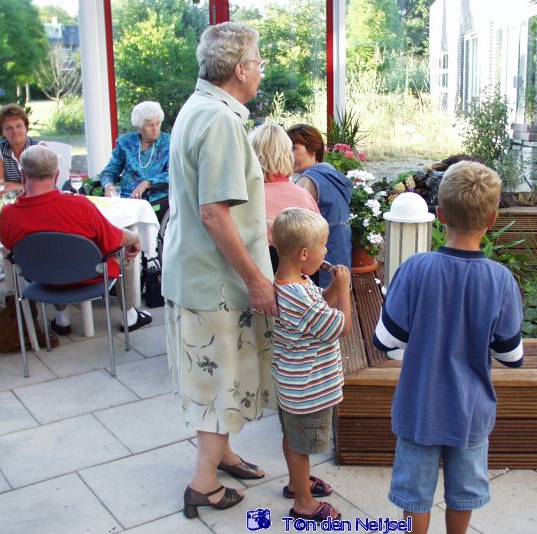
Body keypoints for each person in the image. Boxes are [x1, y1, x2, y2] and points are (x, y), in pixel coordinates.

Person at [162, 22, 276, 518]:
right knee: (218, 382)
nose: (261, 70)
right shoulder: (221, 120)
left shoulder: (197, 106)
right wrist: (256, 280)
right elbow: (213, 212)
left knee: (219, 378)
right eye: (259, 61)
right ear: (240, 70)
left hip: (196, 272)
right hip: (216, 283)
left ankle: (223, 454)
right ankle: (202, 483)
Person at [373, 161, 524, 534]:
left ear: (439, 215)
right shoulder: (501, 280)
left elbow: (385, 341)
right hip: (470, 412)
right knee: (463, 494)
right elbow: (511, 356)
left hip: (418, 409)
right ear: (491, 220)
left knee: (415, 497)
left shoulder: (415, 269)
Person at [0, 145, 152, 335]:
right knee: (123, 253)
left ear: (22, 175)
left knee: (50, 255)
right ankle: (129, 316)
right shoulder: (80, 206)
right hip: (88, 276)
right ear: (56, 175)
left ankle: (62, 319)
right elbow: (112, 238)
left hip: (43, 280)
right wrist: (134, 237)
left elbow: (9, 246)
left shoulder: (8, 215)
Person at [271, 208, 351, 522]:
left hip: (294, 385)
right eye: (323, 246)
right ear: (304, 253)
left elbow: (320, 306)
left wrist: (331, 290)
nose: (327, 252)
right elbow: (341, 327)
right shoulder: (298, 297)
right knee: (300, 445)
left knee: (293, 438)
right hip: (308, 391)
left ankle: (297, 482)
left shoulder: (294, 283)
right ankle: (303, 502)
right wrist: (343, 289)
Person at [286, 124, 352, 288]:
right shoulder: (330, 172)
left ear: (313, 150)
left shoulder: (308, 180)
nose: (288, 154)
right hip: (340, 254)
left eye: (294, 148)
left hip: (320, 262)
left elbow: (293, 225)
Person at [248, 121, 319, 271]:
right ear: (288, 155)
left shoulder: (243, 198)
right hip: (295, 280)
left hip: (251, 276)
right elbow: (316, 250)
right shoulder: (303, 196)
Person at [100, 101, 170, 214]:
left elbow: (172, 173)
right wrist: (108, 186)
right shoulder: (125, 142)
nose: (155, 129)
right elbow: (110, 170)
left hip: (155, 202)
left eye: (158, 124)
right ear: (138, 128)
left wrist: (147, 183)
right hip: (126, 200)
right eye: (150, 125)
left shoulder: (168, 142)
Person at [0, 104, 41, 193]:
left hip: (37, 198)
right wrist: (25, 187)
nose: (15, 131)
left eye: (19, 126)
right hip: (10, 199)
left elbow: (41, 186)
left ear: (26, 127)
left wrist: (12, 186)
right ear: (2, 132)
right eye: (9, 128)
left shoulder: (39, 148)